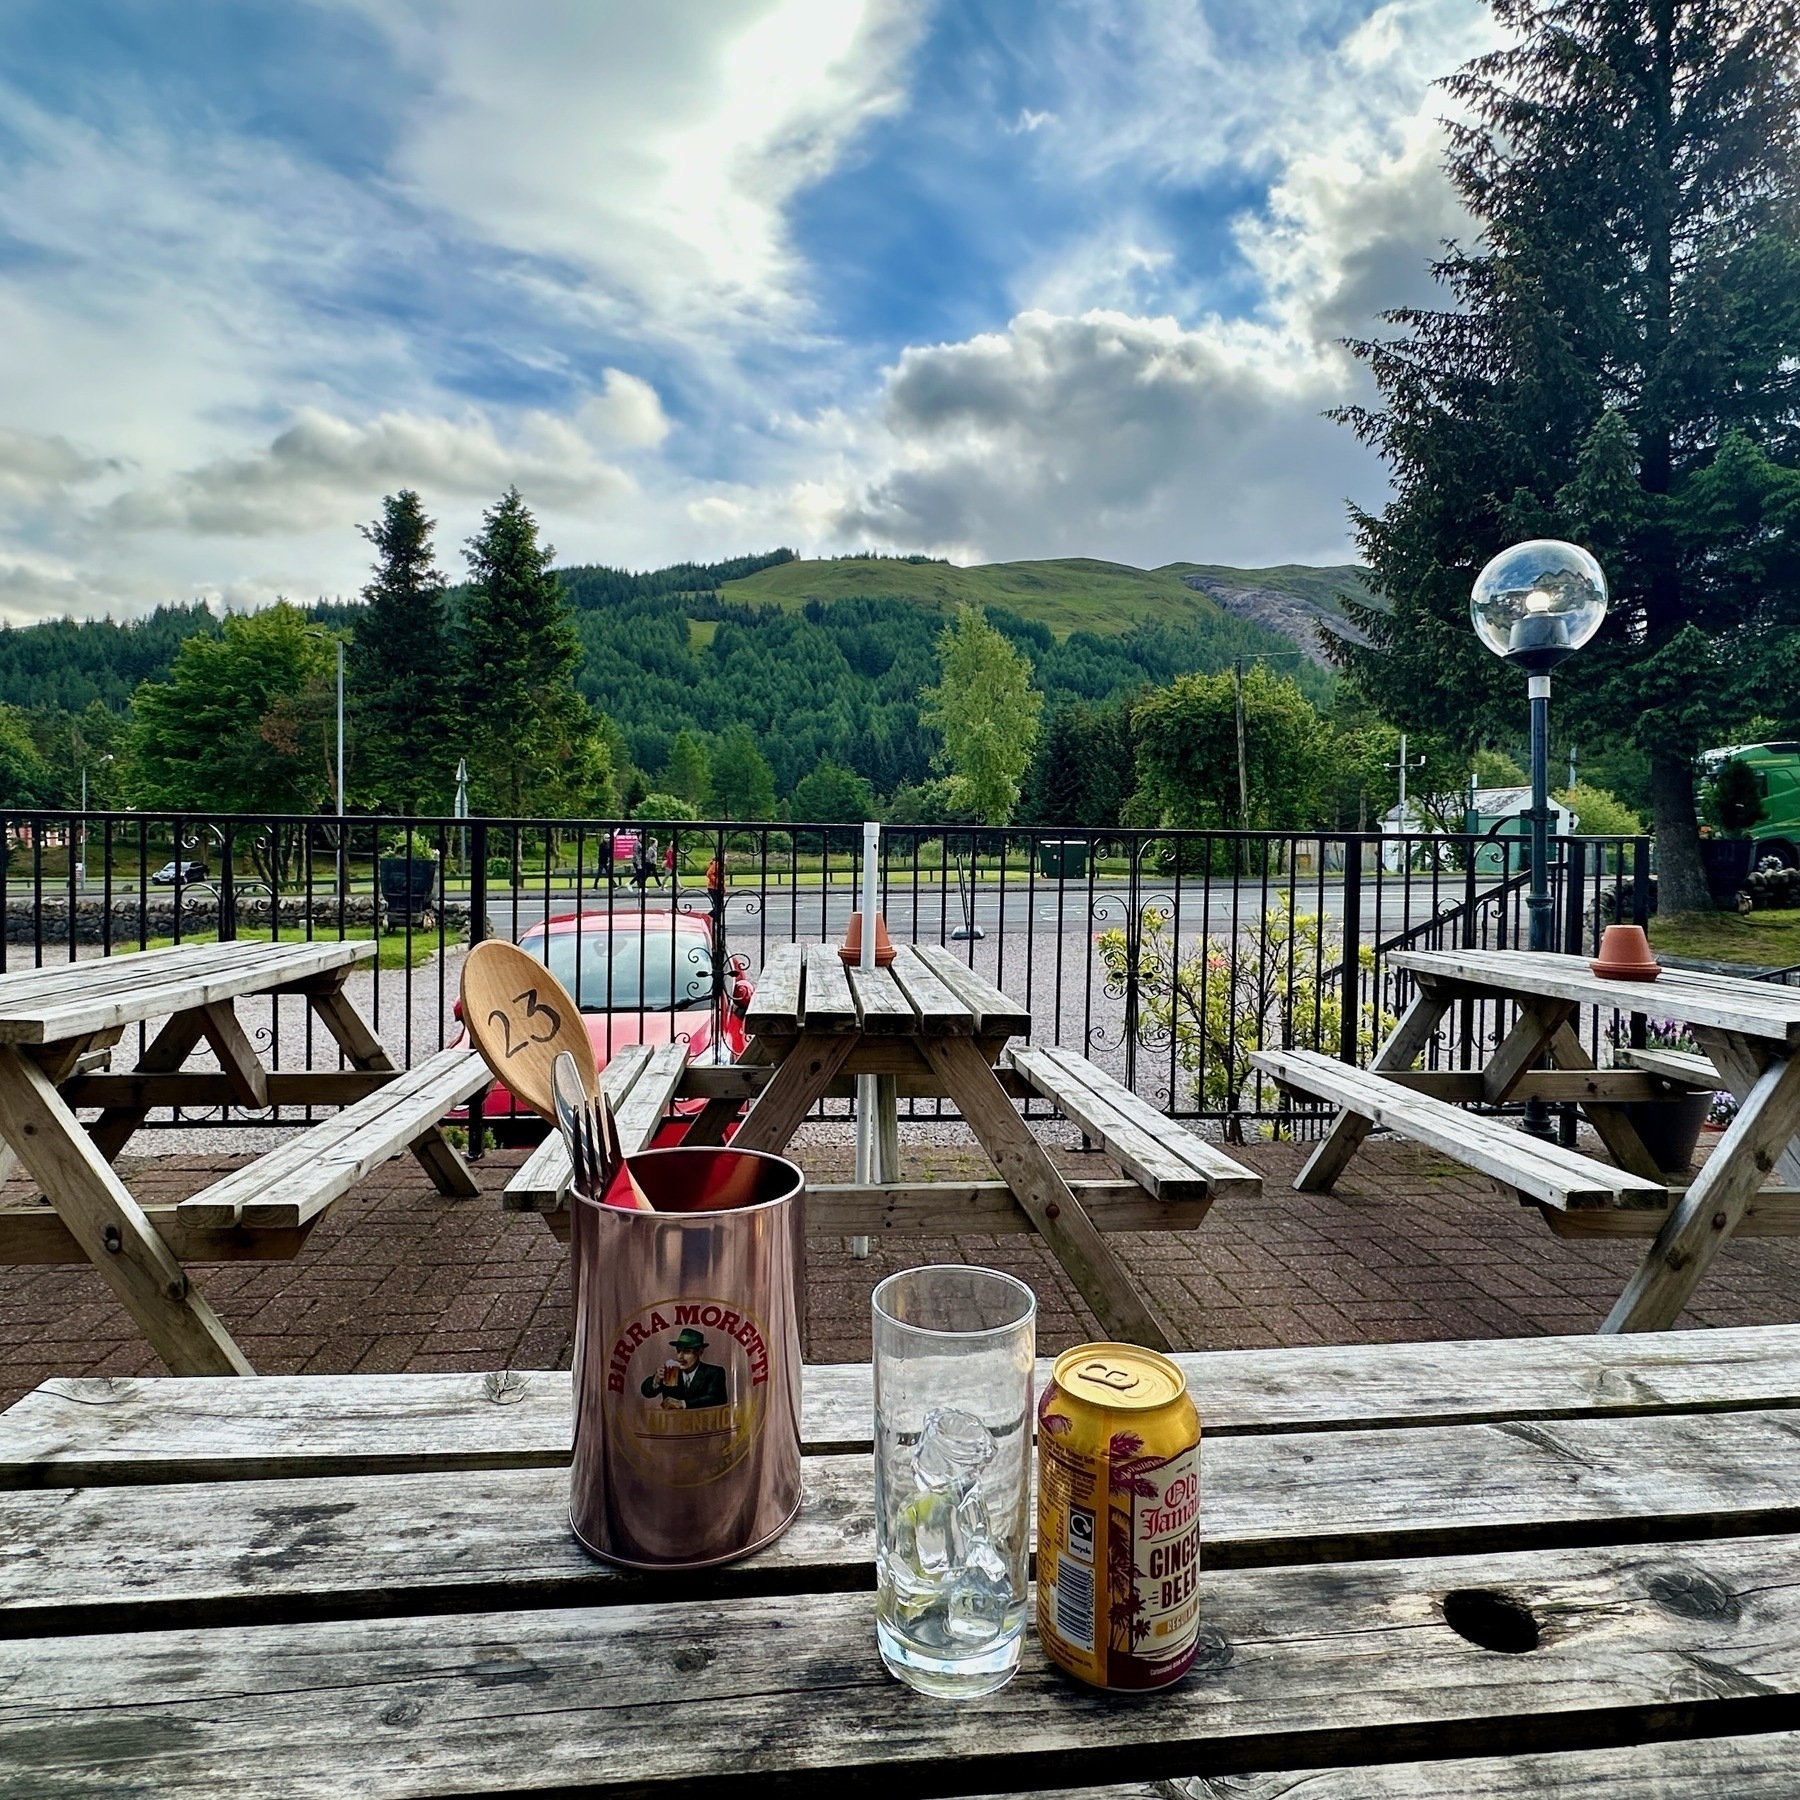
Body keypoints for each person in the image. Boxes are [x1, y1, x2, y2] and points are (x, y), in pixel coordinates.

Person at [642, 1328, 728, 1408]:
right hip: (675, 1423)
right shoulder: (671, 1372)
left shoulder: (713, 1372)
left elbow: (717, 1399)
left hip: (703, 1423)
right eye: (679, 1351)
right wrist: (655, 1381)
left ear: (700, 1352)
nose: (680, 1357)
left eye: (687, 1351)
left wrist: (683, 1404)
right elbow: (647, 1392)